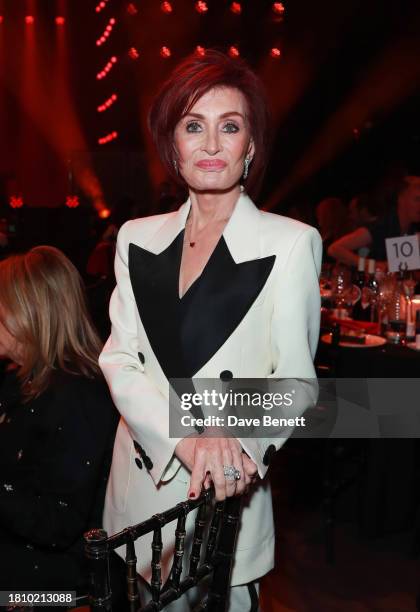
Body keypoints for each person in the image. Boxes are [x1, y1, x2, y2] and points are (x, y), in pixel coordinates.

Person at [99, 50, 322, 611]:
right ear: (173, 144)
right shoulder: (135, 237)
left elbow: (298, 384)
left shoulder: (290, 243)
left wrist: (230, 433)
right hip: (140, 493)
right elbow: (120, 360)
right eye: (193, 126)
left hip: (223, 496)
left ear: (251, 146)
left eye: (230, 127)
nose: (211, 144)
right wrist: (189, 435)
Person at [0, 246, 118, 603]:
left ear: (28, 314)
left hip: (50, 586)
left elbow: (58, 525)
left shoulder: (79, 397)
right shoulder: (23, 376)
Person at [328, 175, 420, 267]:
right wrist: (373, 265)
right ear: (400, 199)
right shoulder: (382, 225)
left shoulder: (411, 230)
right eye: (417, 199)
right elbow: (334, 249)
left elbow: (402, 268)